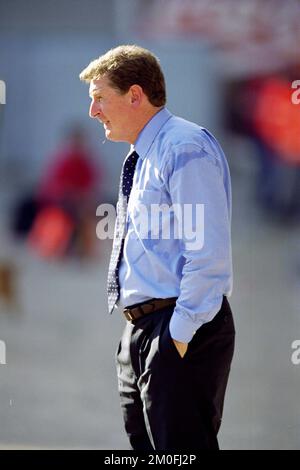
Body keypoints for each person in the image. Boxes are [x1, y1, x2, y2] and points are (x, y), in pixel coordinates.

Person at [79, 45, 235, 451]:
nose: (94, 111)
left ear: (135, 95)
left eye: (100, 98)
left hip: (179, 328)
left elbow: (208, 254)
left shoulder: (182, 147)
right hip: (141, 330)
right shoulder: (143, 153)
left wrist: (177, 337)